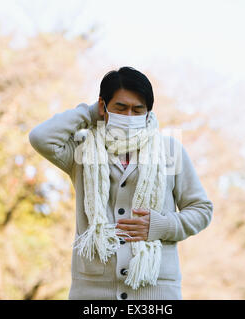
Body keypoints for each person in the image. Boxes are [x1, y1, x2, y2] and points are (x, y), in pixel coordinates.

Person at [28, 66, 214, 300]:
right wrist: (89, 113)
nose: (129, 117)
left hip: (155, 293)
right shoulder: (83, 150)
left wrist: (161, 225)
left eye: (138, 110)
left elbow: (202, 210)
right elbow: (40, 138)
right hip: (92, 292)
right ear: (103, 106)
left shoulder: (169, 150)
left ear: (148, 112)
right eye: (120, 107)